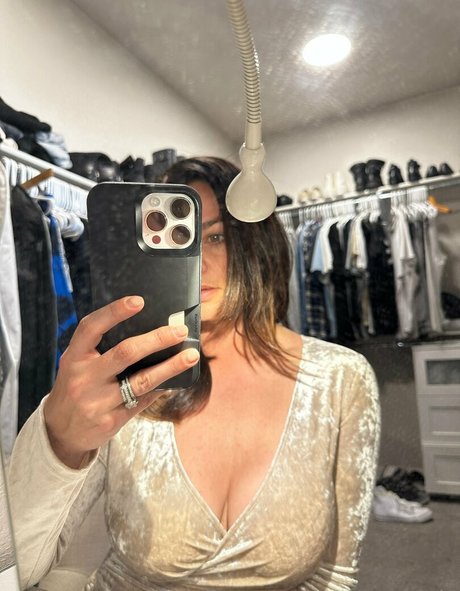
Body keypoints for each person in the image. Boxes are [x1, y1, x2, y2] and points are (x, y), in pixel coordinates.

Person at [7, 156, 380, 591]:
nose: (196, 259)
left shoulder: (341, 379)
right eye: (175, 242)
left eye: (216, 236)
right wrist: (59, 441)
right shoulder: (133, 381)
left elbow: (335, 576)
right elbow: (17, 567)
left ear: (258, 241)